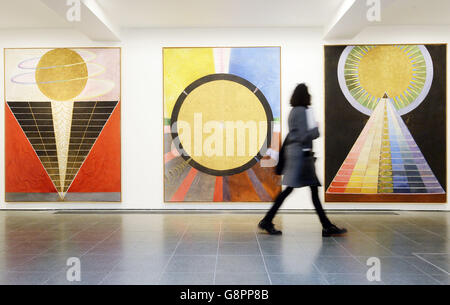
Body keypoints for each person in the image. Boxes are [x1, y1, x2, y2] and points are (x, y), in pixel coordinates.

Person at [259, 83, 347, 237]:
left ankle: (326, 225)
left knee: (303, 190)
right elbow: (302, 136)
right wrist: (316, 130)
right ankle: (326, 226)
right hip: (300, 156)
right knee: (296, 190)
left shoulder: (294, 111)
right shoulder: (301, 111)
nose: (311, 96)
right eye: (308, 93)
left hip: (299, 155)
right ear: (305, 95)